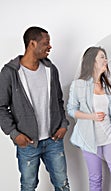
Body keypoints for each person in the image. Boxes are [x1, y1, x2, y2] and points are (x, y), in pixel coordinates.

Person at [0, 26, 70, 190]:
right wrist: (14, 133)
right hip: (28, 143)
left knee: (63, 184)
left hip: (54, 140)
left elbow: (59, 101)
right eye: (46, 43)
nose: (50, 47)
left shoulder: (50, 70)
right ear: (32, 43)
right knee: (28, 186)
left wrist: (63, 124)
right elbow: (1, 107)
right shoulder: (10, 73)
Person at [67, 46, 111, 191]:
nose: (106, 60)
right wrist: (91, 116)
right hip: (89, 139)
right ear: (92, 61)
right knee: (95, 178)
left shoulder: (108, 86)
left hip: (110, 137)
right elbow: (71, 110)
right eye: (102, 57)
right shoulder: (79, 85)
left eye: (105, 57)